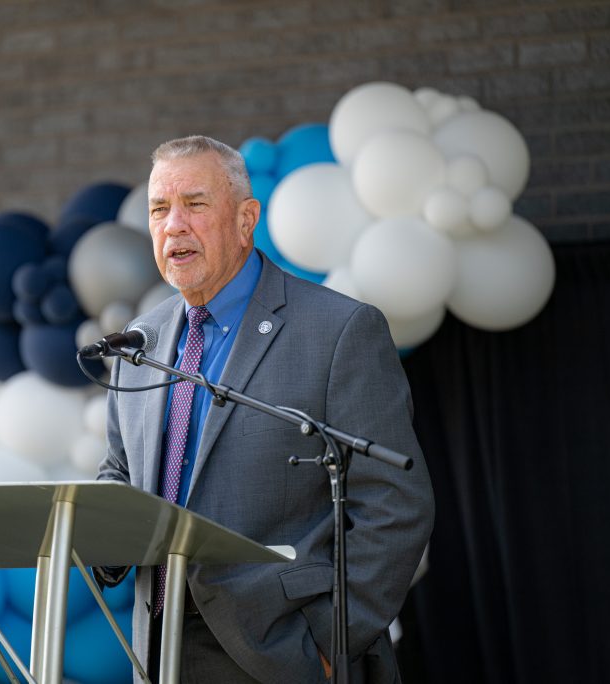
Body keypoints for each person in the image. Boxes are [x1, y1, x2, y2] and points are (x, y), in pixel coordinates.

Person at [95, 135, 434, 683]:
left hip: (284, 651)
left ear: (246, 218)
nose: (173, 224)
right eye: (160, 209)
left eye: (195, 204)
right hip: (157, 652)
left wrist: (330, 646)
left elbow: (395, 505)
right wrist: (101, 537)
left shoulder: (339, 331)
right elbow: (121, 470)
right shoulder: (140, 341)